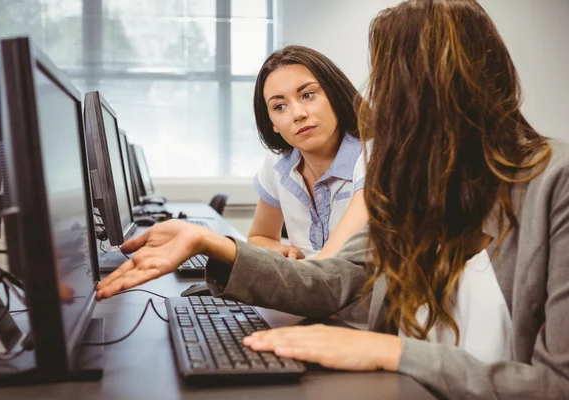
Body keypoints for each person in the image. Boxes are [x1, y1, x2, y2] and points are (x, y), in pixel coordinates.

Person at [96, 0, 569, 397]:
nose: (379, 99)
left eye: (392, 82)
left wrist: (390, 352)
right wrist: (211, 243)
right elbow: (334, 281)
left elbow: (557, 383)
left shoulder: (554, 184)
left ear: (448, 87)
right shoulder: (415, 185)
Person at [248, 45, 371, 260]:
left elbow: (330, 267)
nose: (298, 114)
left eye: (308, 95)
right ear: (272, 124)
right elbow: (259, 236)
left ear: (334, 94)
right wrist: (281, 252)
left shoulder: (372, 155)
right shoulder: (279, 162)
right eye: (279, 107)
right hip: (305, 288)